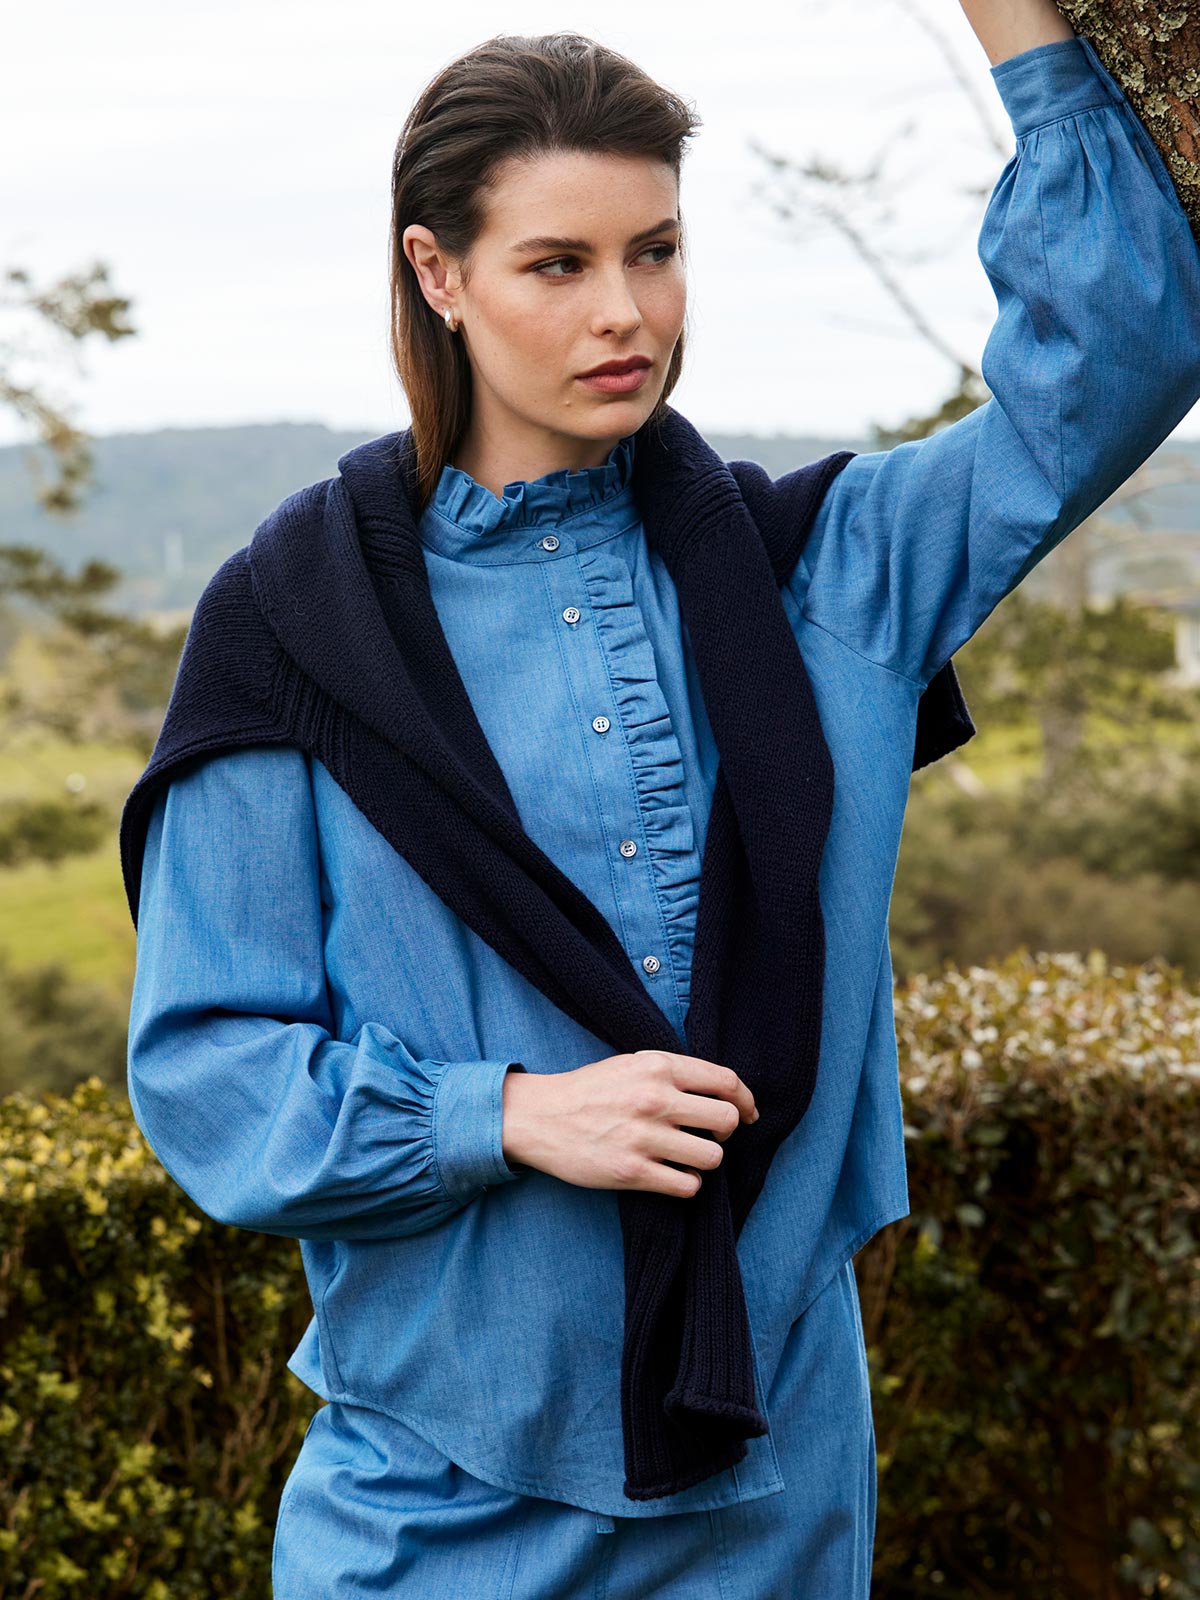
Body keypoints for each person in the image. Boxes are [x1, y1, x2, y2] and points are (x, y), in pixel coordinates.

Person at [122, 8, 1200, 1597]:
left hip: (775, 1501)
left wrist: (1020, 26)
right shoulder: (300, 629)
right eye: (557, 264)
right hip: (430, 1511)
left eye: (658, 251)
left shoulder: (826, 579)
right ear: (438, 273)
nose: (624, 312)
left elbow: (1123, 353)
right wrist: (508, 1115)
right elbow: (208, 1071)